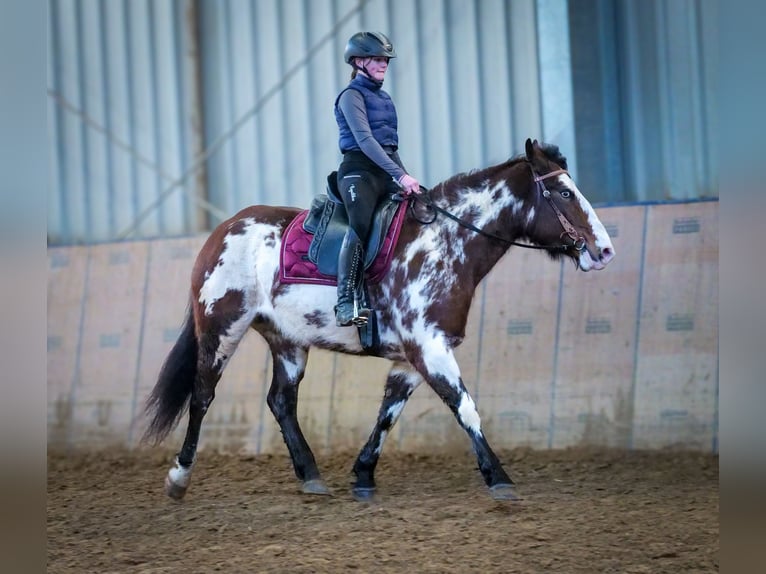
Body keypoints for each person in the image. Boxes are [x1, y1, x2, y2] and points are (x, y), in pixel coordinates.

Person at [333, 31, 421, 327]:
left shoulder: (383, 97)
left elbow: (389, 146)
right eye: (376, 58)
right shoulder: (350, 96)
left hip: (386, 171)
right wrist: (400, 175)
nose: (383, 63)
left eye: (385, 59)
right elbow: (366, 140)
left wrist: (406, 178)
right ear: (358, 62)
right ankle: (345, 300)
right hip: (358, 171)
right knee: (360, 222)